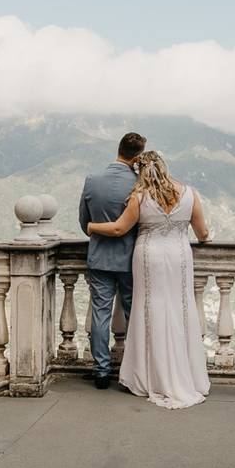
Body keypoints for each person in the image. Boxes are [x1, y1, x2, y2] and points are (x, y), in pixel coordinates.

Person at [88, 150, 211, 409]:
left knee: (150, 311)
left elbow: (120, 228)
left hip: (149, 257)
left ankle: (149, 375)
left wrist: (92, 227)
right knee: (180, 310)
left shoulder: (140, 197)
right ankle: (186, 375)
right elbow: (203, 233)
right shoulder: (190, 194)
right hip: (179, 257)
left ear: (141, 172)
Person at [78, 132, 146, 389]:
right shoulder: (140, 184)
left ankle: (101, 372)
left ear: (118, 149)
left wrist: (96, 229)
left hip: (100, 257)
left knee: (100, 315)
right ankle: (133, 371)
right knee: (133, 315)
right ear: (138, 157)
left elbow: (85, 223)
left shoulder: (92, 180)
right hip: (131, 260)